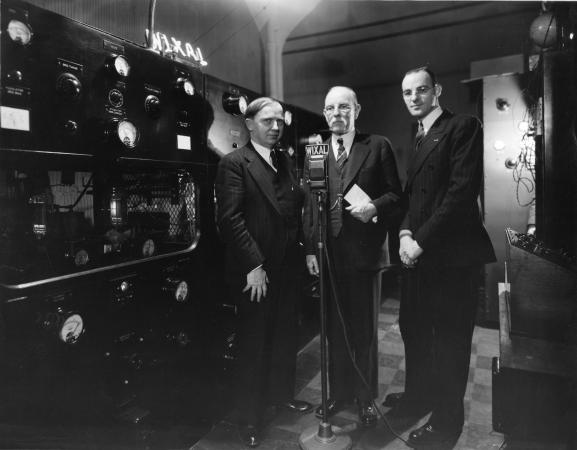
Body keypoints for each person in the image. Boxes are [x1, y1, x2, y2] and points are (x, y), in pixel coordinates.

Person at [384, 66, 496, 447]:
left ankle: (447, 425)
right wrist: (402, 232)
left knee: (449, 342)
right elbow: (413, 196)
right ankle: (419, 397)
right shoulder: (418, 135)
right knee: (414, 329)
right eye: (406, 92)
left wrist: (420, 242)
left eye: (421, 90)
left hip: (451, 258)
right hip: (420, 254)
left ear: (437, 91)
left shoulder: (462, 126)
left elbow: (460, 194)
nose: (413, 98)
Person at [303, 86, 403, 427]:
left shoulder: (377, 146)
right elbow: (309, 205)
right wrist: (309, 249)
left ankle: (365, 398)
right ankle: (339, 394)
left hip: (364, 254)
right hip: (328, 255)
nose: (336, 114)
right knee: (334, 330)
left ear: (356, 110)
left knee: (364, 331)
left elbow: (395, 195)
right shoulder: (315, 150)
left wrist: (374, 206)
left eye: (343, 107)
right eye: (330, 108)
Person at [215, 97, 312, 448]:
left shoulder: (285, 161)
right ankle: (248, 418)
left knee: (285, 335)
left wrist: (306, 252)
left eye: (280, 122)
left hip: (287, 267)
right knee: (253, 343)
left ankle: (281, 395)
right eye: (268, 121)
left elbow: (294, 211)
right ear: (250, 123)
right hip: (255, 270)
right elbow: (230, 220)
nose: (275, 127)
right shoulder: (234, 163)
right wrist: (253, 265)